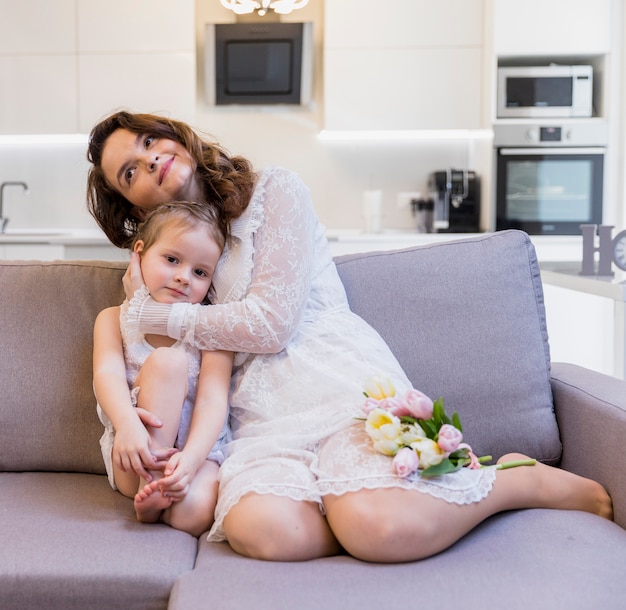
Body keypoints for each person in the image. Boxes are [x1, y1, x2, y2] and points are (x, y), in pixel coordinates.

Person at [86, 110, 612, 563]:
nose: (150, 158)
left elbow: (271, 324)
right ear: (133, 211)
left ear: (175, 136)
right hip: (252, 416)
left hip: (330, 375)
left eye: (149, 140)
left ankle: (510, 482)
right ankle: (365, 509)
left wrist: (161, 317)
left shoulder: (275, 191)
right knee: (265, 532)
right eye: (130, 170)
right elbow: (146, 360)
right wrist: (149, 310)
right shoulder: (161, 268)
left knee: (377, 528)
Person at [93, 200, 233, 537]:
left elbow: (214, 400)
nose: (184, 277)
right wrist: (127, 425)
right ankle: (151, 486)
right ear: (139, 254)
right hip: (133, 451)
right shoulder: (113, 318)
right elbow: (107, 375)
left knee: (194, 514)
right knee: (169, 361)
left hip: (195, 453)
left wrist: (192, 460)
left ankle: (158, 503)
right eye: (172, 260)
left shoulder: (211, 328)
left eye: (200, 272)